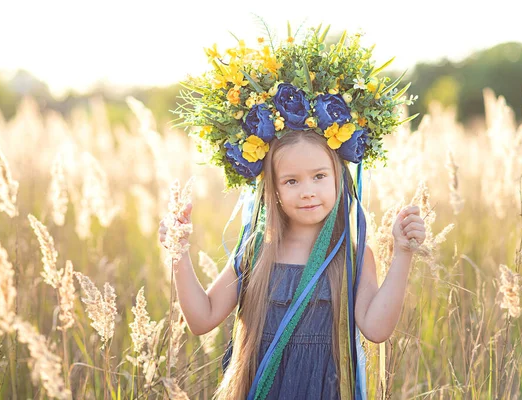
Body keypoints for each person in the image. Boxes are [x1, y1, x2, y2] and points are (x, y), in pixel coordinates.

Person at [160, 24, 425, 399]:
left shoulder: (351, 256)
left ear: (339, 178)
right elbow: (201, 319)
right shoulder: (255, 253)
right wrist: (179, 254)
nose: (308, 192)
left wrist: (402, 254)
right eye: (291, 181)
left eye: (319, 176)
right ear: (272, 190)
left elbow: (377, 329)